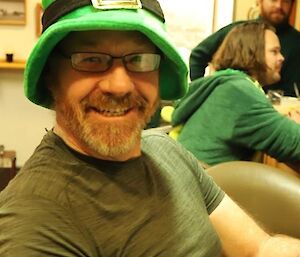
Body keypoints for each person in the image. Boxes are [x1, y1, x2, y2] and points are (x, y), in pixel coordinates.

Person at [0, 1, 300, 256]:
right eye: (90, 59)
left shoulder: (168, 150)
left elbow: (260, 247)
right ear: (52, 76)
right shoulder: (33, 223)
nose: (119, 85)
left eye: (139, 59)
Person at [172, 21, 300, 168]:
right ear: (253, 52)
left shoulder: (226, 83)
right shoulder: (241, 93)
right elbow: (295, 144)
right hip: (201, 186)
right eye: (274, 51)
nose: (282, 58)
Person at [190, 0, 300, 97]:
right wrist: (199, 92)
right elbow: (198, 55)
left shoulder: (296, 41)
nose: (279, 6)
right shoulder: (239, 32)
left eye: (286, 1)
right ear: (260, 1)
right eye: (273, 0)